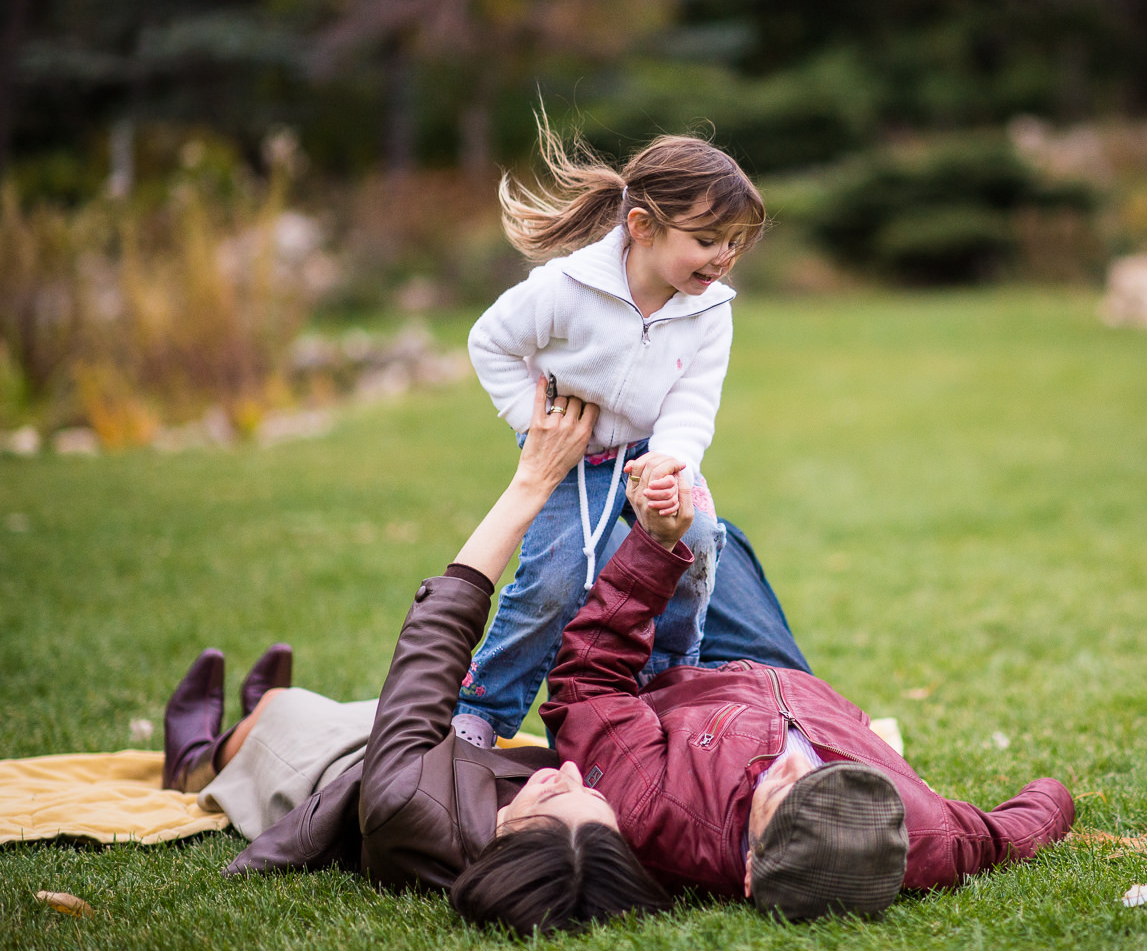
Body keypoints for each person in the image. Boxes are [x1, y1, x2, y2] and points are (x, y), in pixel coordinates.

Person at [166, 383, 803, 934]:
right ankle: (254, 717)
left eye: (555, 797)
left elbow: (431, 649)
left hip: (349, 766)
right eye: (593, 805)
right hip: (470, 752)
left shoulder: (406, 804)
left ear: (504, 846)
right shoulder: (580, 835)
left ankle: (200, 756)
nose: (574, 777)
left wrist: (534, 481)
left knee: (286, 716)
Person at [538, 450, 1078, 921]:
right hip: (782, 675)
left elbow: (587, 686)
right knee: (724, 537)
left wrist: (653, 549)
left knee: (636, 530)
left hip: (677, 685)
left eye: (775, 794)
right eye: (828, 773)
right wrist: (1059, 791)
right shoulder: (923, 833)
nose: (789, 763)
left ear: (751, 872)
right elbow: (1020, 829)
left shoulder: (660, 811)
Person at [454, 120, 766, 750]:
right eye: (707, 239)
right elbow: (488, 341)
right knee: (557, 581)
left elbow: (694, 397)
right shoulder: (566, 289)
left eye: (733, 243)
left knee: (697, 543)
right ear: (643, 227)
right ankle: (483, 714)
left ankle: (669, 687)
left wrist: (672, 463)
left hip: (655, 451)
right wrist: (531, 422)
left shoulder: (710, 309)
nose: (723, 257)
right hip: (571, 452)